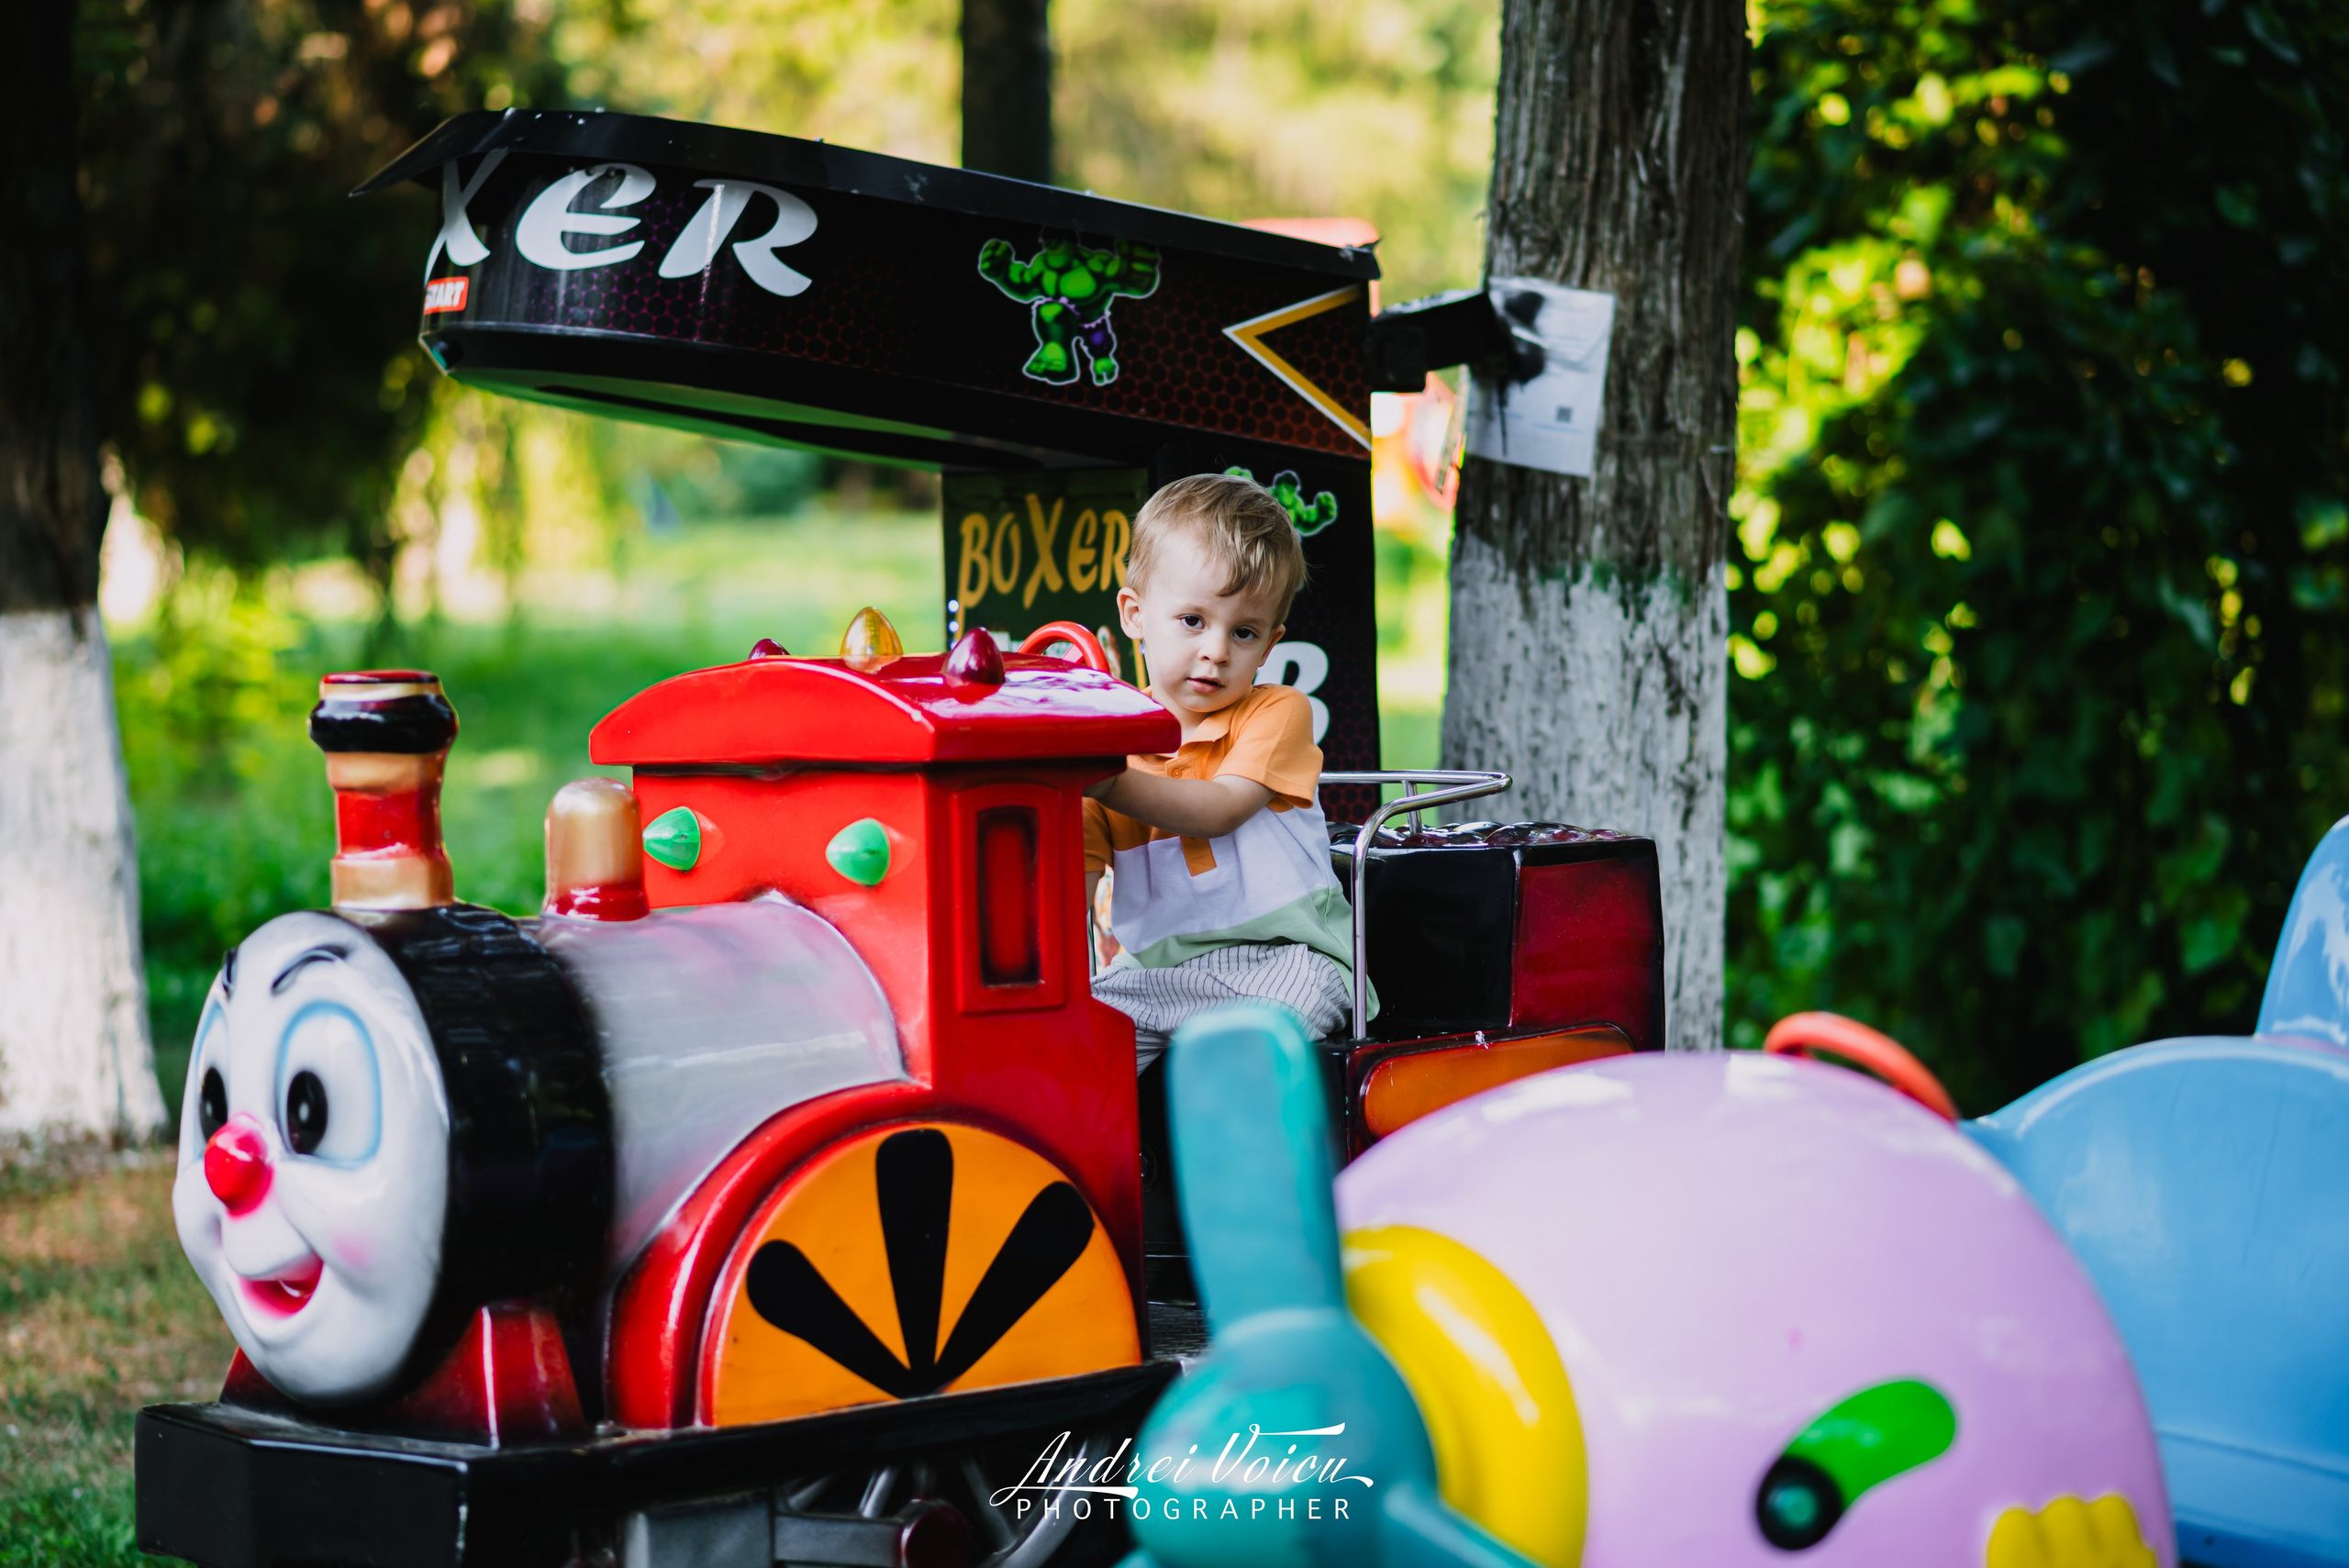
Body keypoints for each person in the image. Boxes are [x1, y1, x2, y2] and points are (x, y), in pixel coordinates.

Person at [1083, 473, 1369, 1070]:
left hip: (1283, 958)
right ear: (1135, 614)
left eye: (1243, 632)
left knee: (1250, 1050)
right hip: (1154, 974)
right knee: (1069, 1053)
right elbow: (1070, 894)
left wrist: (1104, 779)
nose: (1216, 650)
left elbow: (1221, 808)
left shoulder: (1276, 711)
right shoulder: (1110, 750)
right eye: (1193, 620)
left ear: (1269, 645)